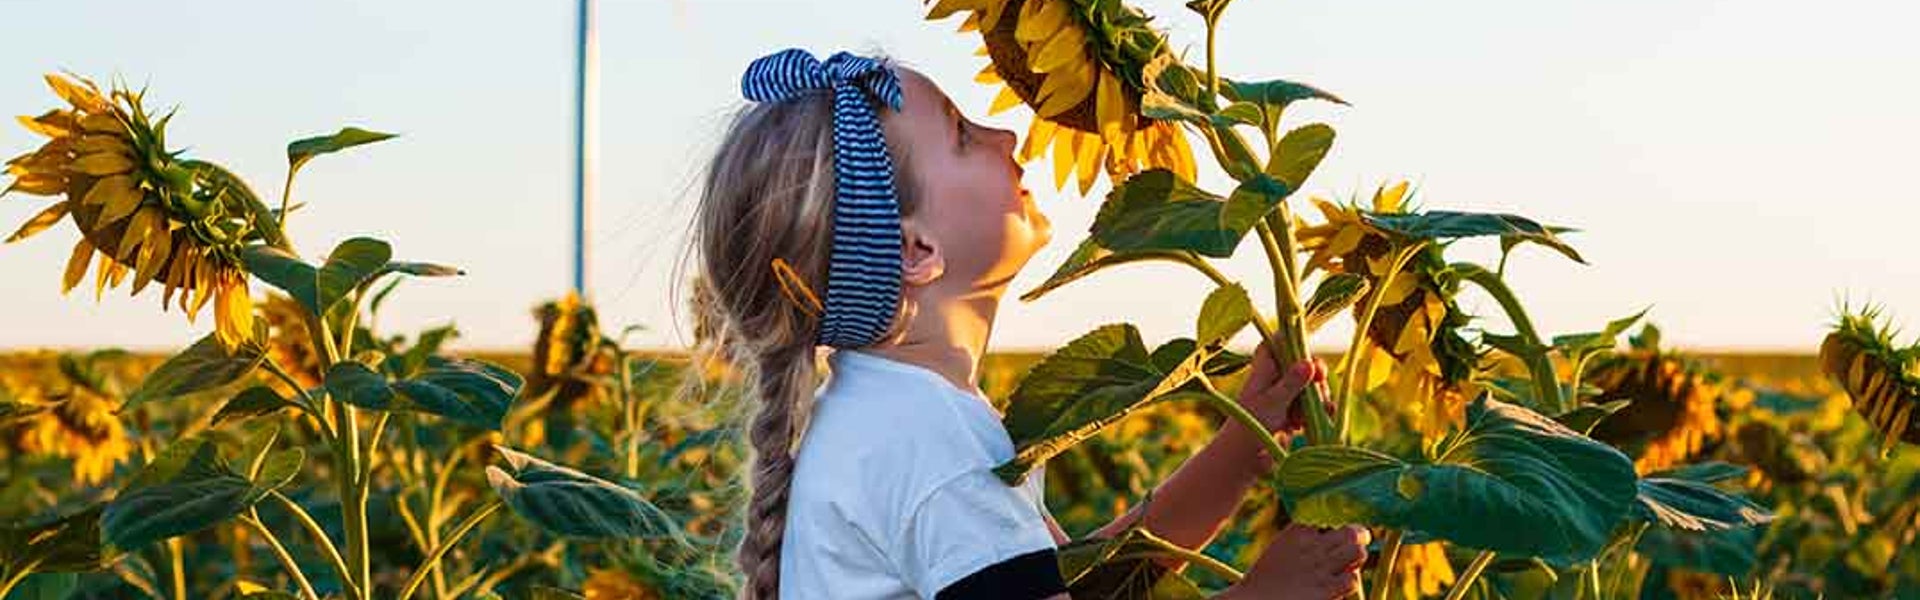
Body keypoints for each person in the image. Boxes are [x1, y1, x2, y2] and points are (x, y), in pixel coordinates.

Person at [685, 48, 1368, 600]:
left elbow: (1075, 581)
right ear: (915, 251)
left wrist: (1239, 450)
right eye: (961, 134)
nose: (1006, 134)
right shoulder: (930, 445)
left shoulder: (889, 415)